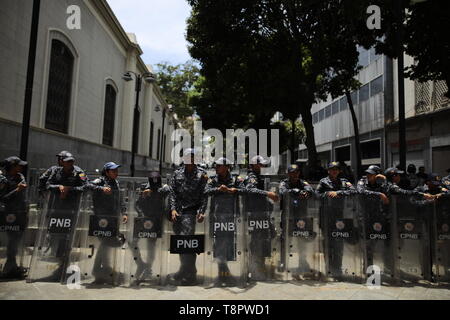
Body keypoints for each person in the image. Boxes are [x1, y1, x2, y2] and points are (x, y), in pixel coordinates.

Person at [40, 153, 87, 281]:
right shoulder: (56, 171)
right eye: (67, 161)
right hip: (56, 208)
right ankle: (60, 263)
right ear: (62, 162)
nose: (70, 164)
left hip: (71, 210)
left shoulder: (79, 172)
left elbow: (85, 186)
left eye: (71, 161)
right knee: (56, 235)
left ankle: (65, 264)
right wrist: (59, 187)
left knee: (68, 237)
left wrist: (69, 189)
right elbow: (48, 184)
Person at [168, 148, 208, 285]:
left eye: (192, 157)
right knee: (180, 242)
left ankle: (191, 274)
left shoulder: (202, 174)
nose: (189, 159)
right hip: (177, 212)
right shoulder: (177, 173)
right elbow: (172, 192)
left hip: (190, 211)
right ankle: (183, 269)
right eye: (187, 157)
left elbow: (204, 194)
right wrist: (172, 209)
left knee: (187, 241)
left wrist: (202, 211)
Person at [204, 157, 245, 286]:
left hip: (232, 217)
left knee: (230, 243)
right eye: (216, 166)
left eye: (219, 166)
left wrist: (235, 190)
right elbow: (205, 191)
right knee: (219, 243)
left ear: (227, 167)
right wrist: (218, 189)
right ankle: (222, 271)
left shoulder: (236, 180)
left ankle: (227, 270)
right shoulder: (213, 180)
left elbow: (245, 190)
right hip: (218, 218)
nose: (216, 168)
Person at [87, 162, 127, 284]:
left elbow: (120, 199)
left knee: (107, 243)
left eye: (116, 170)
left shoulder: (116, 183)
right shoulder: (100, 181)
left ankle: (102, 269)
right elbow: (87, 186)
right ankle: (100, 270)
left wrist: (124, 213)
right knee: (105, 242)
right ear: (107, 171)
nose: (116, 172)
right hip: (101, 219)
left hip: (113, 219)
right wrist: (101, 189)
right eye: (113, 170)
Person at [316, 162, 357, 278]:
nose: (334, 171)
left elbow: (354, 191)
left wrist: (338, 192)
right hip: (326, 217)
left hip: (340, 217)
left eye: (336, 169)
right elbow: (317, 194)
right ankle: (328, 268)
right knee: (328, 243)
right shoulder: (323, 181)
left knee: (339, 243)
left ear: (339, 171)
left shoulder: (344, 181)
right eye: (332, 169)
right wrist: (328, 193)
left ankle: (337, 268)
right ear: (328, 171)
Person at [243, 155, 279, 280]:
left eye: (263, 164)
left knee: (268, 236)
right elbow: (250, 189)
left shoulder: (259, 176)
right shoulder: (252, 177)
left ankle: (259, 266)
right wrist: (267, 193)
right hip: (255, 214)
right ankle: (255, 268)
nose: (263, 166)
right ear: (254, 165)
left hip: (262, 214)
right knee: (257, 240)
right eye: (260, 164)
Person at [132, 171, 170, 283]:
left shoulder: (163, 188)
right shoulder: (143, 187)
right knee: (132, 242)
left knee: (151, 246)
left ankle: (148, 268)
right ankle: (141, 264)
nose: (154, 184)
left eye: (156, 182)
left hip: (156, 221)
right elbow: (137, 204)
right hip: (143, 219)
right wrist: (141, 214)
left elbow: (167, 191)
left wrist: (152, 192)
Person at [279, 164, 315, 280]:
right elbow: (282, 191)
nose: (294, 174)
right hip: (288, 216)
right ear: (288, 173)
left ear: (299, 173)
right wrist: (294, 191)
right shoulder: (284, 183)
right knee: (285, 239)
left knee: (301, 239)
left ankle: (302, 261)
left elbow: (311, 190)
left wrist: (306, 192)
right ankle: (283, 262)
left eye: (296, 172)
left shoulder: (303, 183)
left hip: (301, 216)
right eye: (292, 172)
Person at [0, 156, 28, 279]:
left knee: (15, 241)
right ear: (12, 166)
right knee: (7, 240)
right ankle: (7, 268)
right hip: (6, 213)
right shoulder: (2, 179)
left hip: (19, 213)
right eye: (18, 165)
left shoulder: (19, 176)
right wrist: (17, 190)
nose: (21, 167)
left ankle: (11, 266)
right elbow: (3, 198)